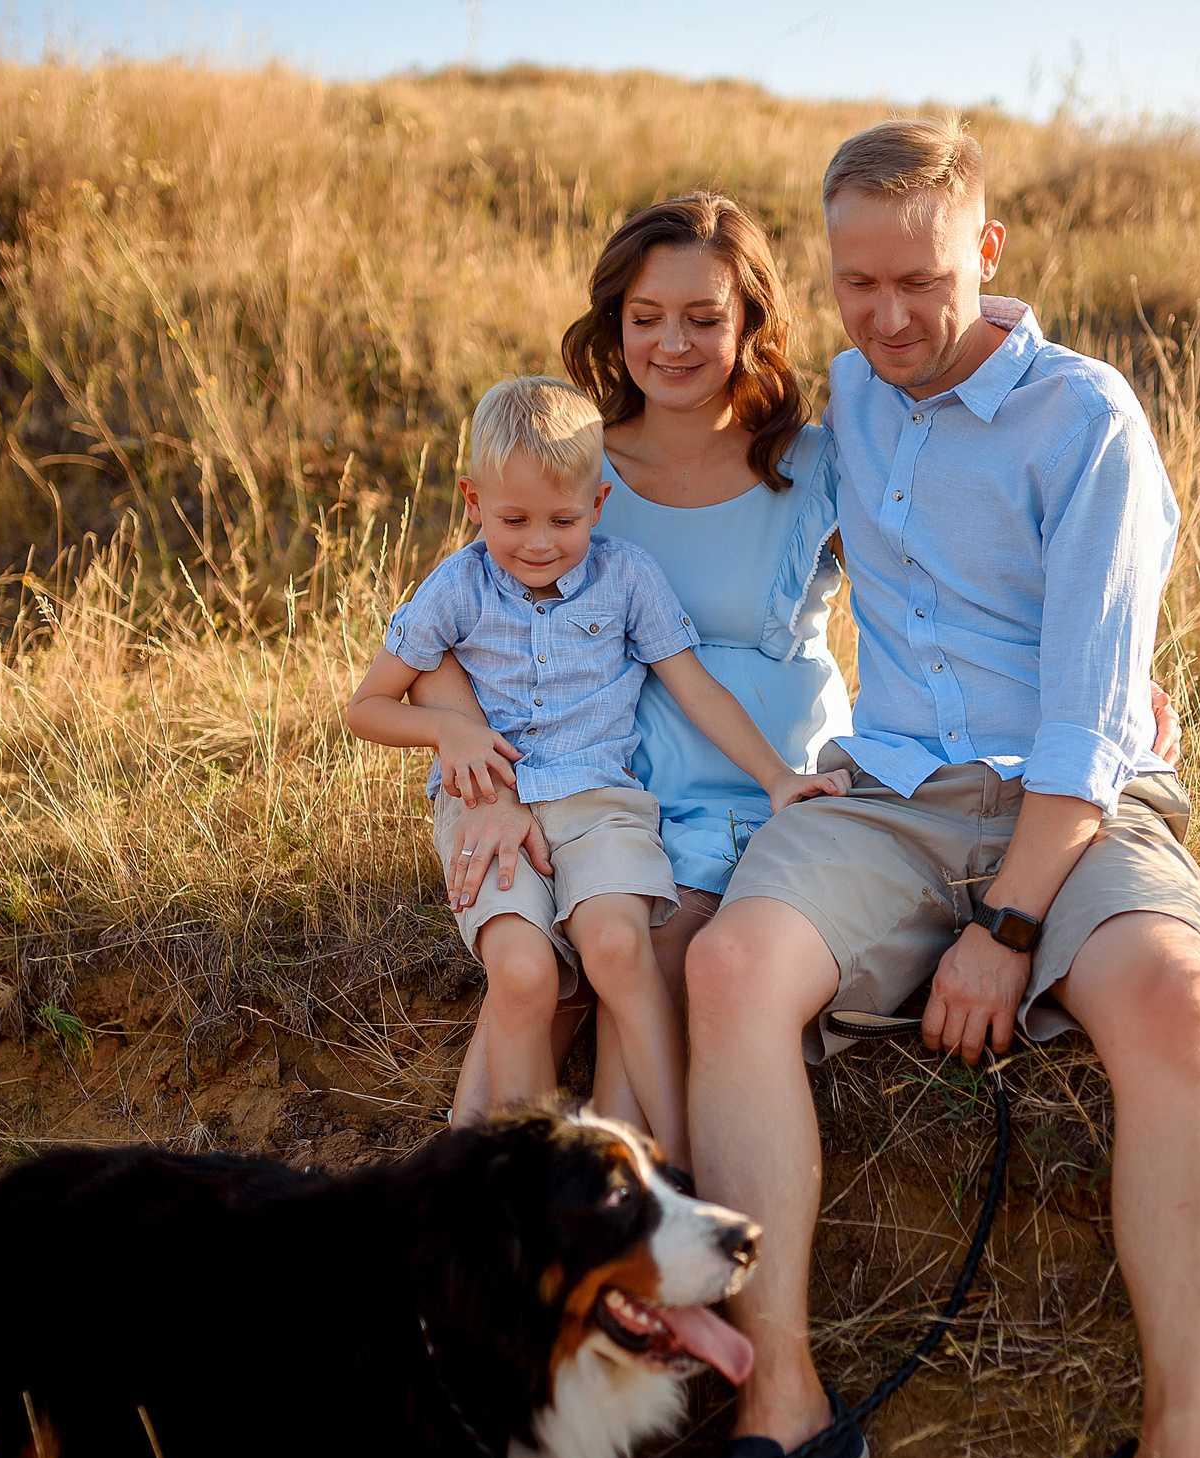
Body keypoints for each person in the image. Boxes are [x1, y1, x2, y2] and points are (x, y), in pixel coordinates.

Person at [672, 120, 1200, 1458]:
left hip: (1069, 808)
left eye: (921, 281)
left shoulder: (1086, 420)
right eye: (856, 283)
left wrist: (1009, 924)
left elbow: (1095, 722)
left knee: (1170, 999)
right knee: (737, 963)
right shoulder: (843, 410)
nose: (886, 317)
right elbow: (662, 488)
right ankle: (788, 1416)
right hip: (885, 793)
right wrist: (489, 728)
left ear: (992, 258)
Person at [415, 193, 856, 1159]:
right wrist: (482, 777)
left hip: (760, 792)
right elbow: (454, 637)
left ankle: (634, 1216)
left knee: (642, 962)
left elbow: (934, 600)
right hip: (599, 787)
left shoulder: (813, 464)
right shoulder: (572, 467)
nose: (674, 343)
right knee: (538, 984)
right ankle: (465, 1231)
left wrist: (1093, 685)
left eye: (706, 317)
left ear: (751, 324)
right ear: (615, 323)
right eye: (647, 316)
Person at [344, 375, 844, 1159]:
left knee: (616, 947)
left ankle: (673, 1157)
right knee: (522, 971)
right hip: (485, 806)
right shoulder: (455, 587)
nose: (538, 542)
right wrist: (447, 730)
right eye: (514, 520)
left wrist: (779, 776)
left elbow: (695, 687)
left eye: (563, 520)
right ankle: (521, 1171)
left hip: (600, 801)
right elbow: (366, 706)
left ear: (600, 505)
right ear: (473, 501)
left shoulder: (627, 577)